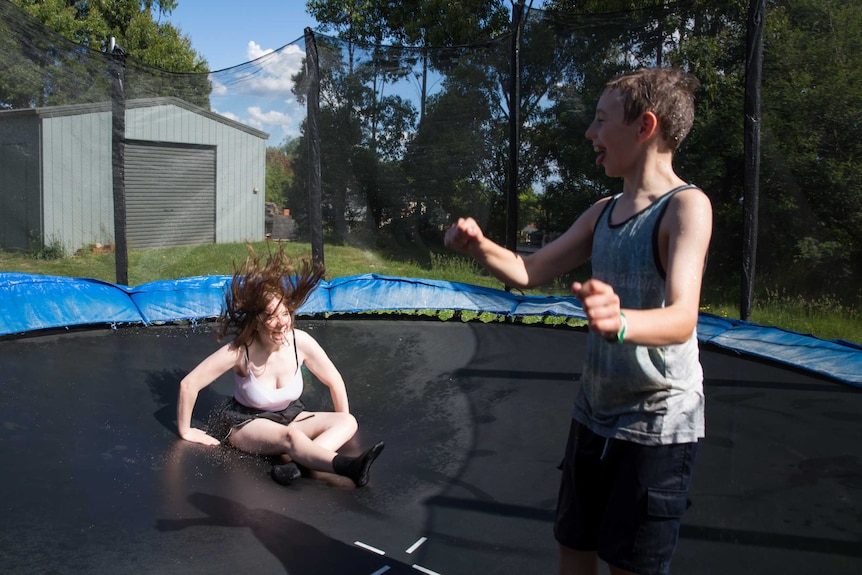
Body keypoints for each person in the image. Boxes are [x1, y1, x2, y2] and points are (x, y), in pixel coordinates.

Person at [445, 67, 711, 575]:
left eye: (600, 119)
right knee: (575, 545)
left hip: (658, 424)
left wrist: (622, 321)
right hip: (594, 411)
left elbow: (681, 318)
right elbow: (528, 269)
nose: (590, 133)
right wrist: (480, 247)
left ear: (644, 126)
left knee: (630, 564)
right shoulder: (603, 211)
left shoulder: (686, 207)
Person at [177, 245, 384, 487]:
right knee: (292, 437)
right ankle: (347, 467)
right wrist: (186, 430)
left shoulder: (301, 342)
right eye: (271, 317)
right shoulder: (240, 351)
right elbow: (188, 384)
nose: (280, 323)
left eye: (284, 314)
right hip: (248, 424)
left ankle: (297, 466)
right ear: (257, 322)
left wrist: (342, 421)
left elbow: (334, 380)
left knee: (347, 421)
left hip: (291, 416)